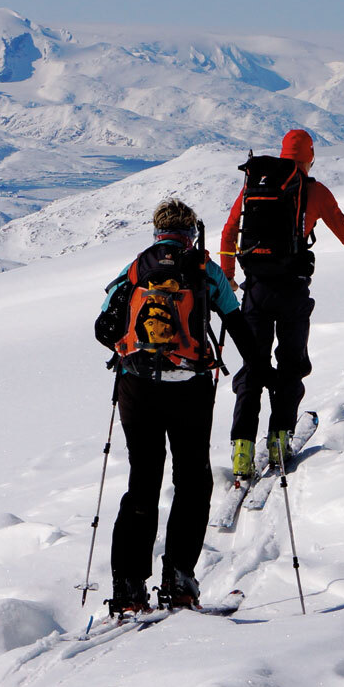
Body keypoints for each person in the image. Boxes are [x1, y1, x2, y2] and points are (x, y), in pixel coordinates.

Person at [97, 197, 264, 614]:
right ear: (191, 233)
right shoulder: (205, 271)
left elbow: (104, 329)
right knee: (192, 480)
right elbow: (239, 329)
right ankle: (179, 581)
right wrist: (266, 373)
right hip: (190, 388)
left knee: (143, 482)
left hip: (137, 388)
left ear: (157, 232)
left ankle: (129, 586)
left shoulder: (135, 269)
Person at [218, 128, 344, 477]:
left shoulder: (253, 187)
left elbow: (228, 232)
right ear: (309, 158)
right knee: (290, 365)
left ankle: (241, 448)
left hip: (254, 290)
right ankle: (279, 441)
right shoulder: (314, 192)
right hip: (292, 292)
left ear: (284, 154)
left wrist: (227, 275)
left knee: (252, 367)